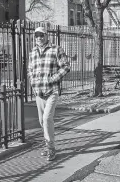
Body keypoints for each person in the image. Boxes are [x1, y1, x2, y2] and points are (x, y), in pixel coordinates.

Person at [28, 27, 70, 161]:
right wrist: (32, 81)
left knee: (47, 119)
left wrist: (52, 79)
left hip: (52, 90)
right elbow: (30, 69)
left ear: (46, 35)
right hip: (38, 92)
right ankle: (48, 145)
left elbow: (66, 67)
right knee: (42, 121)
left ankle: (51, 149)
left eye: (41, 35)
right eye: (36, 35)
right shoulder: (33, 52)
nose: (39, 38)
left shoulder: (56, 49)